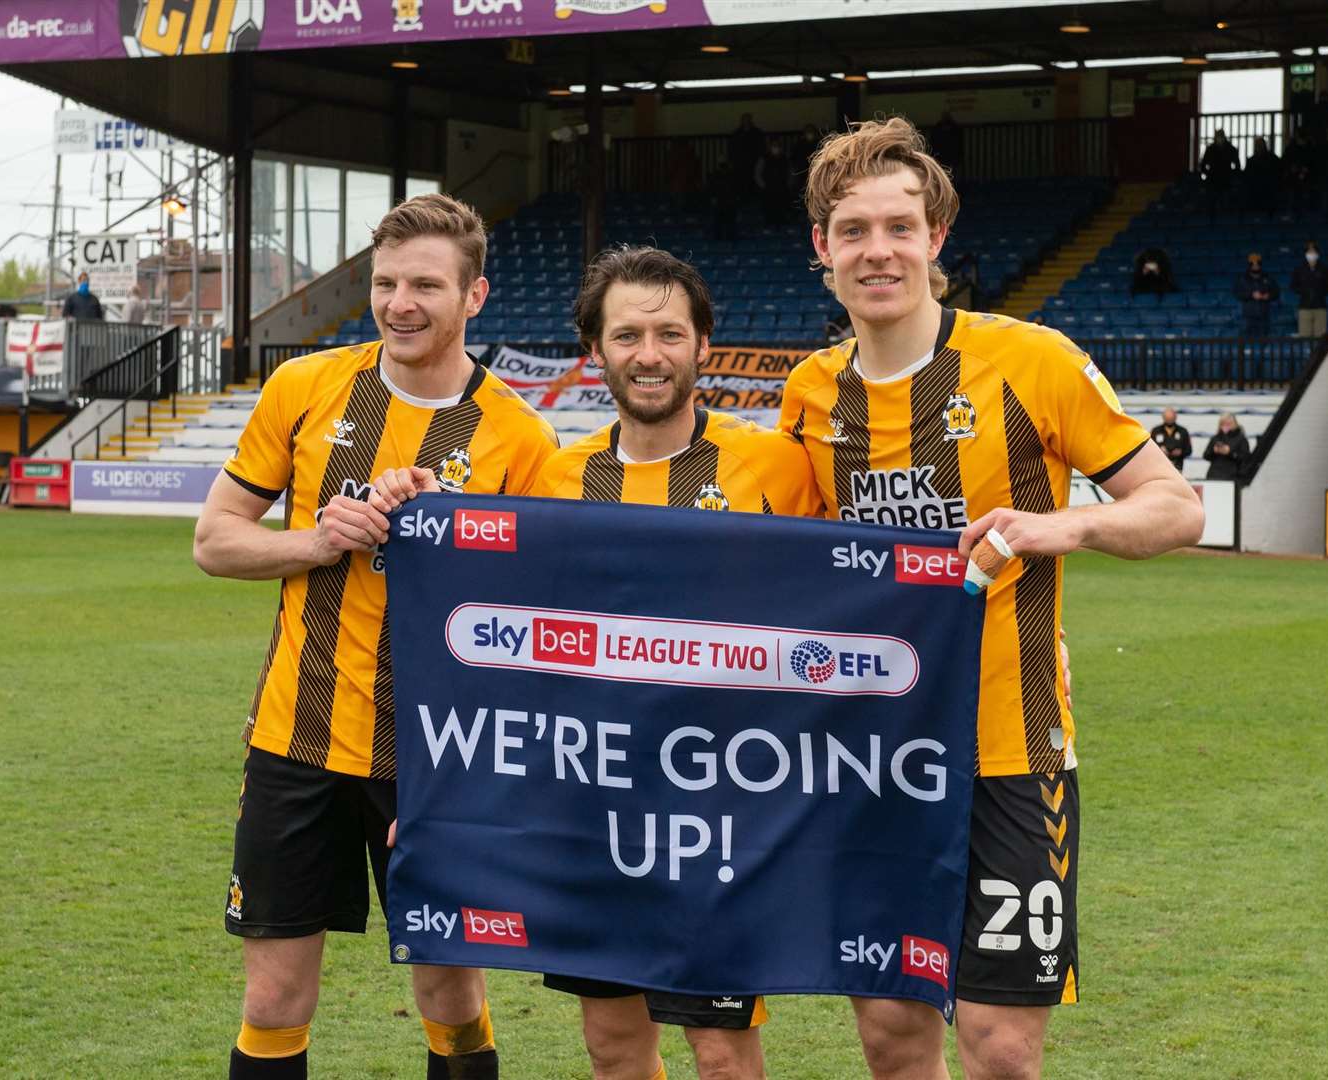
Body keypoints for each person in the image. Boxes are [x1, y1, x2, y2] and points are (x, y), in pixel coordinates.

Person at [781, 116, 1203, 1080]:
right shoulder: (808, 395)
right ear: (822, 248)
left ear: (936, 238)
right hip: (874, 759)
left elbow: (1178, 508)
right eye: (852, 230)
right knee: (892, 1041)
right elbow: (789, 567)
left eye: (898, 226)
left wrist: (1070, 525)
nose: (876, 250)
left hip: (1016, 754)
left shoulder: (1032, 360)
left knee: (1003, 1049)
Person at [368, 245, 823, 1080]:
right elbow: (499, 657)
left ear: (703, 347)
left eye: (669, 334)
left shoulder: (777, 468)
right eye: (627, 336)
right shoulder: (557, 477)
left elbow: (851, 599)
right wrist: (438, 800)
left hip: (718, 816)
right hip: (595, 812)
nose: (649, 354)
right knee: (614, 1046)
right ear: (596, 352)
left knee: (723, 1052)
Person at [192, 193, 558, 1080]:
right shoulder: (307, 388)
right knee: (275, 999)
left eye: (425, 285)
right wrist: (320, 538)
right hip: (297, 741)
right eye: (386, 282)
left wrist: (455, 540)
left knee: (450, 997)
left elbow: (535, 622)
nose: (400, 302)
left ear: (473, 296)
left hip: (437, 760)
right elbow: (214, 541)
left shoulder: (520, 435)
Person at [1290, 241, 1328, 338]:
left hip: (1320, 307)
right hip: (1304, 307)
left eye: (1313, 252)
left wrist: (1320, 292)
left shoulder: (1325, 269)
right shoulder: (1299, 269)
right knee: (1304, 337)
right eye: (1309, 252)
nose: (1311, 254)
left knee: (1321, 338)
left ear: (1317, 254)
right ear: (1306, 254)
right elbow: (1293, 286)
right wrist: (1305, 292)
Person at [1233, 253, 1280, 338]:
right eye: (1253, 264)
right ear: (1249, 265)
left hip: (1264, 314)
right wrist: (1251, 295)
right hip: (1248, 316)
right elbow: (1237, 293)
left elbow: (1276, 292)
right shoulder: (1242, 279)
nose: (1255, 266)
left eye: (1257, 263)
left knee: (1264, 339)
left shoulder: (1268, 278)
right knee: (1247, 338)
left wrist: (1268, 296)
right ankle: (1247, 351)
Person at [1198, 129, 1240, 215]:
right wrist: (1209, 174)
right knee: (1212, 206)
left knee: (1225, 206)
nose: (1219, 139)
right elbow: (1202, 165)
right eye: (1218, 136)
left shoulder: (1230, 149)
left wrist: (1231, 175)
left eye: (1220, 136)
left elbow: (1237, 166)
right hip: (1213, 182)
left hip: (1226, 182)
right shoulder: (1211, 149)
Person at [754, 137, 792, 226]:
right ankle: (769, 224)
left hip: (782, 188)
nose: (775, 148)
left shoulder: (785, 158)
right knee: (769, 209)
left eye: (777, 146)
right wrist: (763, 185)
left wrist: (788, 184)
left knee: (782, 208)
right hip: (768, 189)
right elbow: (757, 173)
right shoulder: (764, 159)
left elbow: (791, 173)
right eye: (773, 146)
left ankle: (781, 224)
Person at [1242, 136, 1283, 216]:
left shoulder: (1252, 160)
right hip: (1261, 188)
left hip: (1264, 188)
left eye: (1260, 145)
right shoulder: (1273, 158)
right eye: (1258, 145)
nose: (1259, 147)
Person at [1203, 412, 1250, 480]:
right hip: (1214, 475)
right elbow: (1206, 455)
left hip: (1232, 476)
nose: (1226, 426)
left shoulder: (1241, 439)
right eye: (1223, 424)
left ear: (1235, 424)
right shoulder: (1216, 438)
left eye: (1228, 424)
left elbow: (1245, 458)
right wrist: (1214, 451)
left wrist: (1230, 453)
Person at [729, 113, 764, 198]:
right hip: (740, 163)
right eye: (744, 120)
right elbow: (732, 149)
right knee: (741, 182)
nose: (746, 122)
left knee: (753, 182)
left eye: (747, 120)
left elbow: (761, 148)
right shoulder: (737, 134)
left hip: (754, 162)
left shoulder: (757, 133)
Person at [1150, 407, 1192, 472]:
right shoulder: (1156, 431)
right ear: (1163, 418)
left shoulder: (1183, 431)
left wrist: (1180, 452)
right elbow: (1149, 449)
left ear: (1175, 417)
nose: (1169, 421)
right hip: (1159, 467)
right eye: (1167, 419)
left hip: (1177, 466)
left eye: (1171, 419)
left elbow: (1189, 450)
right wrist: (1159, 451)